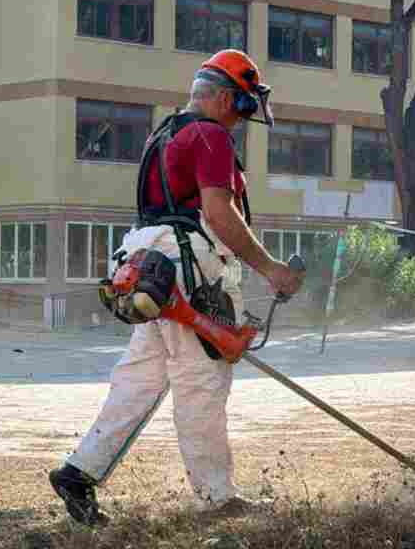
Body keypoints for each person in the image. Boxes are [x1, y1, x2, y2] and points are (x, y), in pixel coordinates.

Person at [49, 49, 304, 526]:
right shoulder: (211, 135)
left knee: (140, 379)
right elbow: (219, 213)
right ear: (226, 98)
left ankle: (78, 473)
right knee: (202, 383)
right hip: (190, 265)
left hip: (151, 263)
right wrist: (270, 268)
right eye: (244, 106)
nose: (243, 119)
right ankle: (217, 498)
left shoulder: (165, 132)